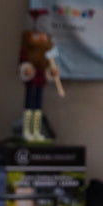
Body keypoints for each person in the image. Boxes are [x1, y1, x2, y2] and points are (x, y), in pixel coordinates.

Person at [18, 9, 64, 141]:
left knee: (38, 103)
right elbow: (23, 53)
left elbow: (52, 57)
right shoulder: (28, 37)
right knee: (29, 101)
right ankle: (27, 131)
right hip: (31, 73)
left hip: (41, 73)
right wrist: (24, 67)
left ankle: (36, 131)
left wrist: (53, 69)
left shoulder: (48, 40)